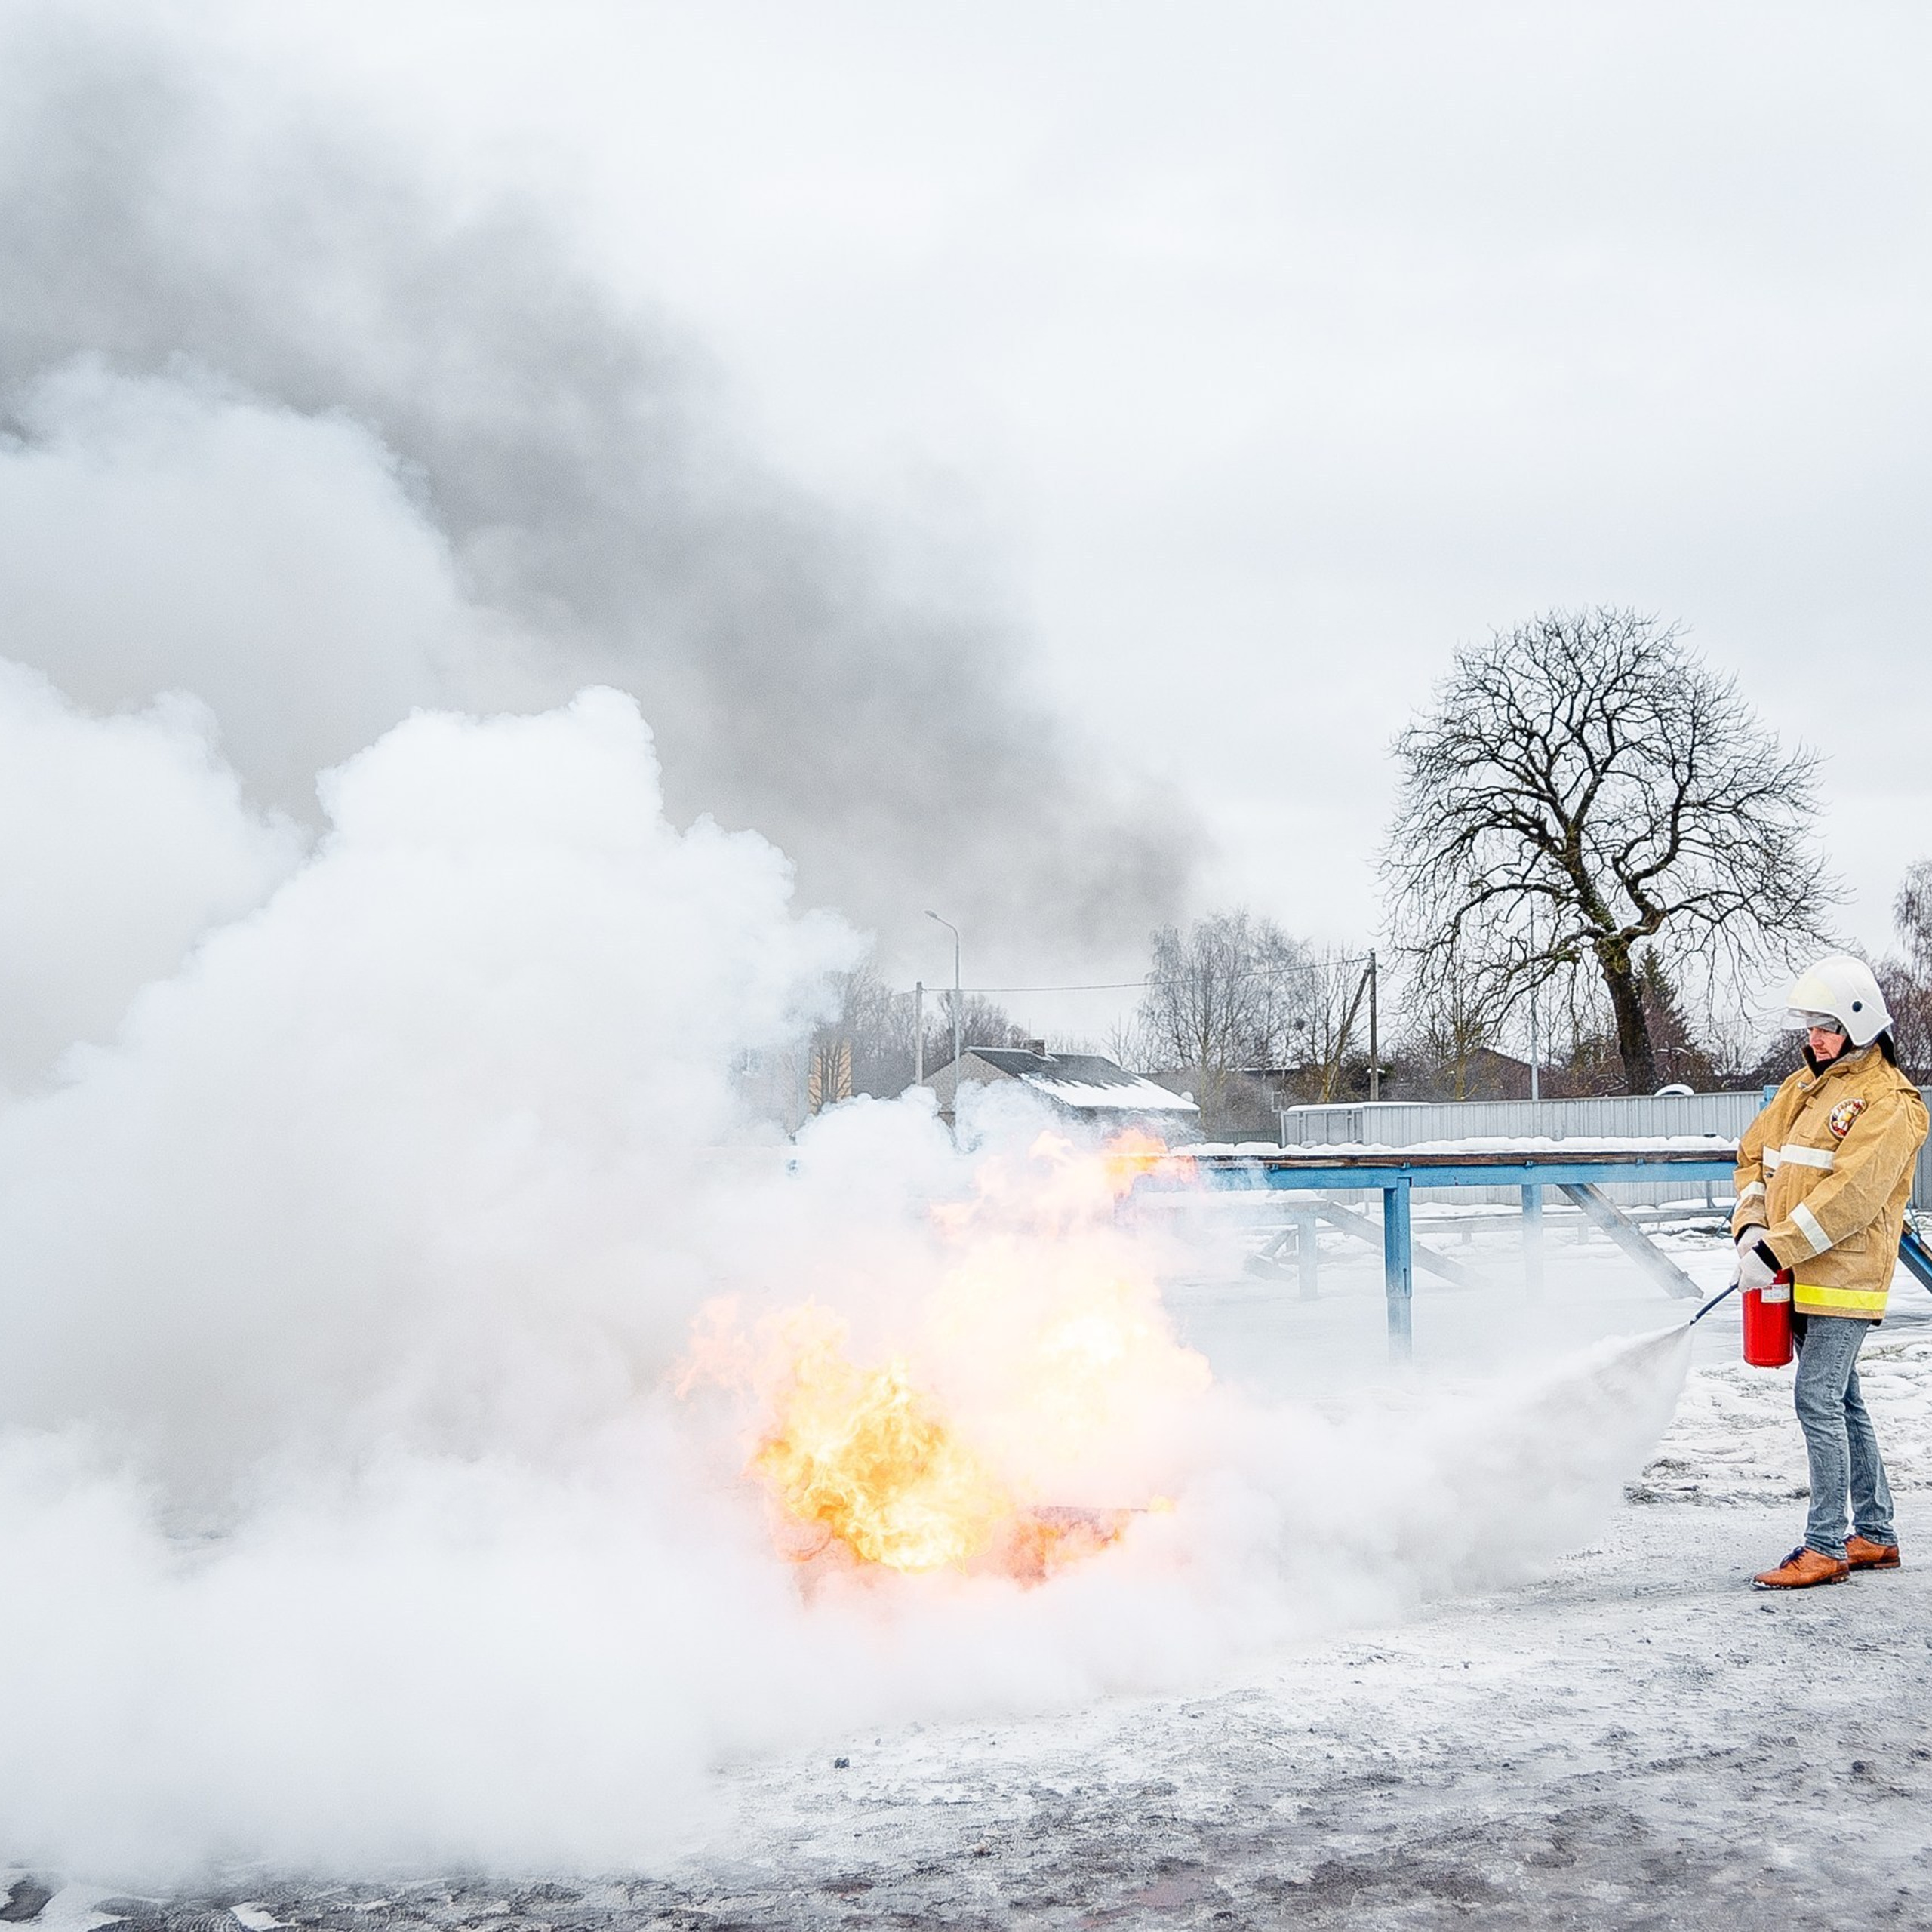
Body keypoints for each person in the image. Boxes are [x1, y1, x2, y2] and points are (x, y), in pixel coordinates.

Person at [1734, 955, 1928, 1589]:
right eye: (1808, 1027)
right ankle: (1875, 1534)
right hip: (1795, 1272)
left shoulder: (1890, 1103)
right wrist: (1753, 1229)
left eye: (1824, 1026)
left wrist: (1776, 1249)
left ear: (1858, 1023)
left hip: (1845, 1276)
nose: (1811, 1039)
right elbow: (1753, 1156)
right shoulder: (1801, 1089)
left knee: (1816, 1397)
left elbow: (1853, 1196)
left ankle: (1825, 1547)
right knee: (1844, 1401)